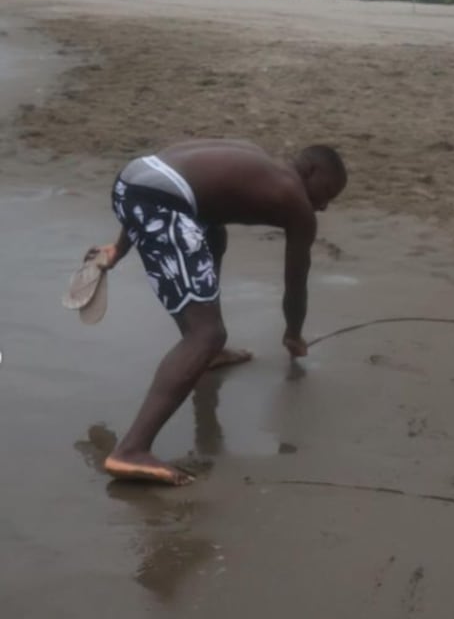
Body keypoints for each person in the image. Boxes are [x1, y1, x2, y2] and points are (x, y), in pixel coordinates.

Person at [84, 140, 347, 486]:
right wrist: (293, 334)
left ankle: (209, 355)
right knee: (206, 334)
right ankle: (131, 450)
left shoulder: (259, 161)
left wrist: (119, 248)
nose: (324, 206)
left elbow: (161, 179)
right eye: (326, 192)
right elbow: (295, 282)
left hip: (134, 180)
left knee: (213, 234)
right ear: (310, 172)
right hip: (155, 201)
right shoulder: (295, 200)